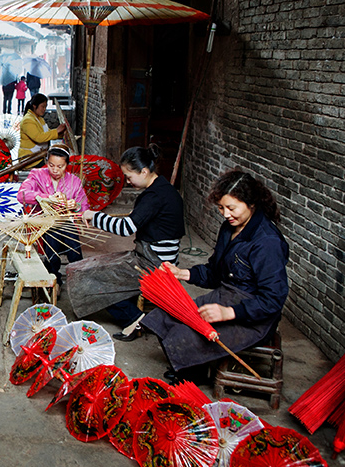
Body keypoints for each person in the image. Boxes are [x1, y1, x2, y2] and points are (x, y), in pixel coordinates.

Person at [141, 170, 289, 384]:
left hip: (253, 315)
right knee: (165, 316)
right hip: (226, 296)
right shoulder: (230, 229)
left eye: (232, 208)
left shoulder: (267, 242)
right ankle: (190, 368)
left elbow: (273, 300)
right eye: (221, 208)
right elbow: (215, 271)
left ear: (251, 204)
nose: (226, 214)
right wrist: (182, 273)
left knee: (187, 333)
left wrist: (228, 312)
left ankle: (192, 375)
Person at [79, 146, 185, 339]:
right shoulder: (164, 188)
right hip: (159, 256)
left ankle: (134, 319)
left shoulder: (154, 196)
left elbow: (125, 228)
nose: (127, 182)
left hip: (155, 263)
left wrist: (94, 216)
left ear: (144, 171)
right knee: (102, 265)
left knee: (92, 277)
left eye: (129, 176)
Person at [17, 144, 89, 283]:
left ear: (66, 165)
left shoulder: (75, 182)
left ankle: (78, 276)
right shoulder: (36, 175)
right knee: (52, 239)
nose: (55, 170)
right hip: (43, 222)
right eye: (51, 165)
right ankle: (53, 276)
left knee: (73, 247)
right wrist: (45, 198)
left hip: (66, 222)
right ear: (46, 162)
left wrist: (75, 205)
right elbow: (22, 195)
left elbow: (84, 207)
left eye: (60, 166)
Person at [18, 93, 66, 166]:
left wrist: (60, 135)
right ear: (34, 106)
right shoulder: (27, 120)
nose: (44, 109)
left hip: (39, 157)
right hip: (31, 159)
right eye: (42, 106)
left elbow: (47, 133)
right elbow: (39, 137)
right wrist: (56, 131)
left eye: (45, 107)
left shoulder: (39, 118)